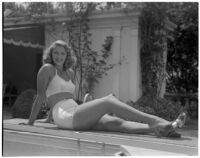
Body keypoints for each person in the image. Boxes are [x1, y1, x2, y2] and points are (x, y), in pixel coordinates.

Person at [23, 40, 186, 138]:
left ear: (67, 56)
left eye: (62, 54)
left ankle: (165, 128)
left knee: (115, 122)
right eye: (56, 53)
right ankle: (156, 120)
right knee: (109, 101)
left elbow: (61, 95)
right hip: (66, 116)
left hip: (75, 110)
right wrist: (30, 123)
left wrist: (48, 119)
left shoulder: (70, 73)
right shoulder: (47, 69)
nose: (59, 57)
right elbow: (41, 96)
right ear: (51, 54)